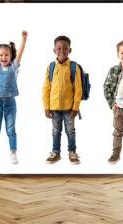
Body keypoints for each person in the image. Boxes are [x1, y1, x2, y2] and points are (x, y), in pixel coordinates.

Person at [0, 30, 27, 165]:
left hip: (10, 103)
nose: (3, 57)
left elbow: (20, 54)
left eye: (6, 55)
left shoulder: (14, 67)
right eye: (1, 55)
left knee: (10, 129)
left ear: (11, 56)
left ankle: (13, 152)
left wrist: (24, 40)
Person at [42, 35, 82, 165]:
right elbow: (46, 88)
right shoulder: (51, 67)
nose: (62, 51)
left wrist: (76, 107)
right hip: (54, 107)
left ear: (70, 50)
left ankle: (72, 152)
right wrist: (46, 107)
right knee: (55, 131)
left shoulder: (73, 67)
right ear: (54, 50)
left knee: (70, 131)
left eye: (65, 48)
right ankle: (55, 152)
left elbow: (78, 89)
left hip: (69, 107)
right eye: (59, 48)